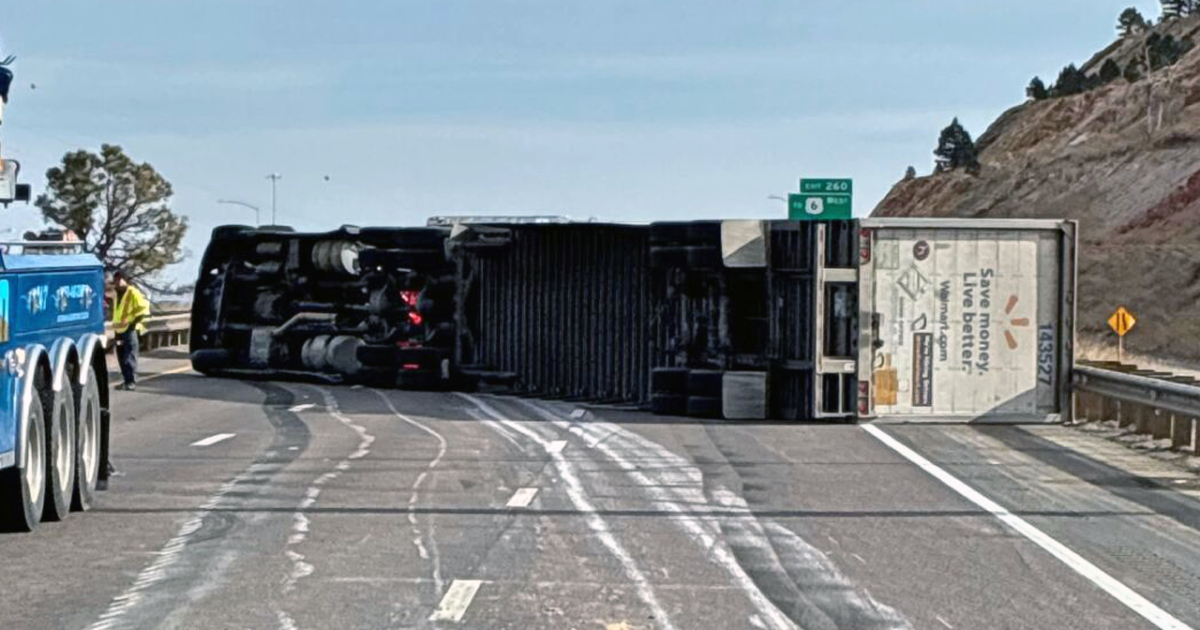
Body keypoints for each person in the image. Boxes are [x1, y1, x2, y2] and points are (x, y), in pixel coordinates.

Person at [111, 270, 150, 390]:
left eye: (119, 279)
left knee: (129, 356)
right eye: (115, 280)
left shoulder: (133, 292)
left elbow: (143, 309)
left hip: (129, 330)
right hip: (118, 331)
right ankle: (126, 380)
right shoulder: (116, 294)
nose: (117, 282)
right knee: (121, 355)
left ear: (125, 280)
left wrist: (133, 323)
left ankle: (131, 381)